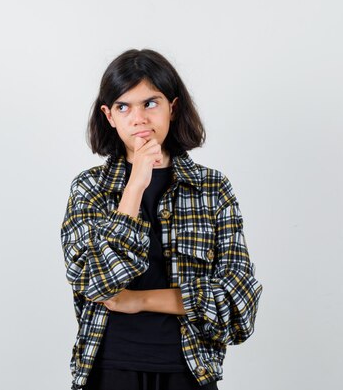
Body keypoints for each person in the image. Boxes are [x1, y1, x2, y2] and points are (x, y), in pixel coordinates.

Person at [60, 49, 263, 390]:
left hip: (189, 370)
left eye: (150, 103)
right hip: (110, 369)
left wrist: (139, 300)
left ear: (173, 106)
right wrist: (136, 185)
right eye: (124, 106)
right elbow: (96, 282)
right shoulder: (89, 188)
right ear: (109, 116)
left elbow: (238, 304)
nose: (138, 118)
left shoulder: (212, 188)